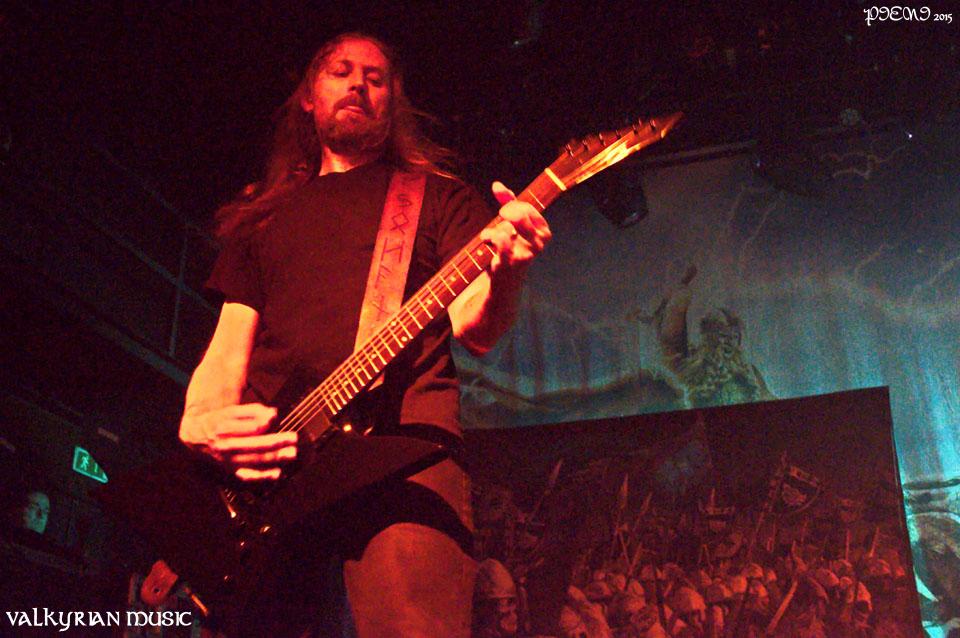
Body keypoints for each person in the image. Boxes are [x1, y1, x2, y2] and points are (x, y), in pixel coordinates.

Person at [177, 32, 551, 637]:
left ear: (393, 101)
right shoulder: (263, 218)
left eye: (375, 78)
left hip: (403, 457)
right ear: (308, 96)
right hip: (273, 476)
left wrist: (509, 271)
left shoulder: (438, 197)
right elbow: (227, 350)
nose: (358, 84)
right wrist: (199, 419)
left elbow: (475, 327)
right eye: (341, 71)